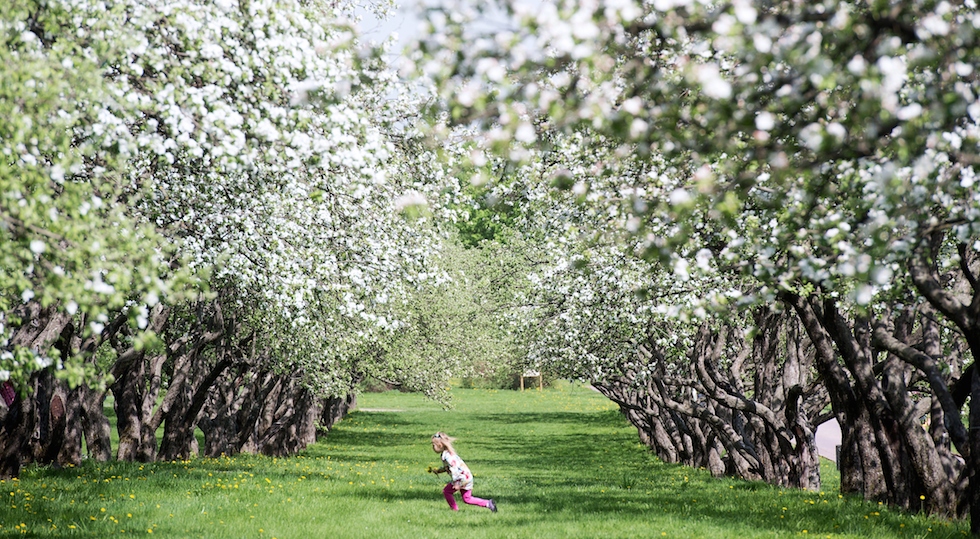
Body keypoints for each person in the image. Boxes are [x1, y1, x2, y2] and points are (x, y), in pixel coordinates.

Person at [428, 431, 497, 512]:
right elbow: (448, 467)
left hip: (461, 478)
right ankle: (488, 503)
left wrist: (457, 483)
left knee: (446, 491)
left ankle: (454, 510)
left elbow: (455, 470)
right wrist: (439, 471)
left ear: (440, 445)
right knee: (467, 499)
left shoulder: (448, 456)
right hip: (467, 477)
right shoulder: (447, 454)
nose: (432, 447)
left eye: (433, 445)